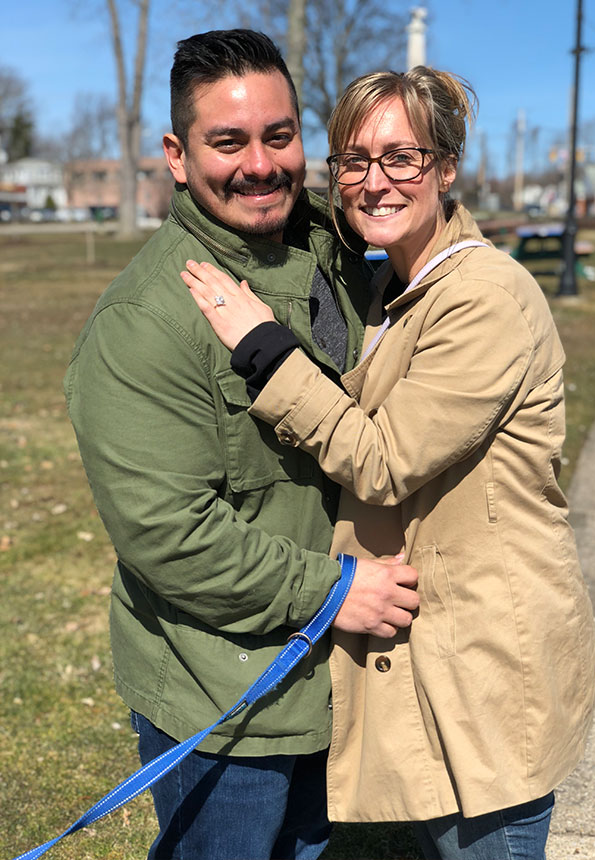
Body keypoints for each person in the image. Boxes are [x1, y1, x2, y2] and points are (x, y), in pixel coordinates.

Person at [180, 65, 595, 860]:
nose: (375, 182)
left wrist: (264, 349)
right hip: (443, 641)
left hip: (490, 658)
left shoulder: (484, 298)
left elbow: (381, 460)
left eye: (402, 157)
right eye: (354, 161)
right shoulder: (396, 285)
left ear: (446, 167)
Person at [63, 30, 420, 860]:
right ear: (177, 156)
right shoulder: (144, 323)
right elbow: (170, 535)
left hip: (342, 679)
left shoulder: (334, 248)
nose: (260, 164)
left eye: (278, 135)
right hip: (228, 702)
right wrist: (335, 592)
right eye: (227, 142)